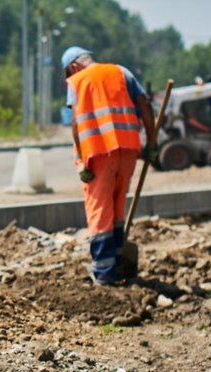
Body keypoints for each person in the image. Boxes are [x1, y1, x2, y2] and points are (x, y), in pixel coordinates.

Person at [63, 46, 157, 285]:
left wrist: (83, 160)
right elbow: (144, 105)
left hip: (97, 153)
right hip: (128, 149)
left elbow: (75, 123)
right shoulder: (121, 72)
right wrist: (152, 143)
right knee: (116, 209)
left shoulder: (76, 80)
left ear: (73, 66)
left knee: (99, 212)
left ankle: (104, 275)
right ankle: (115, 264)